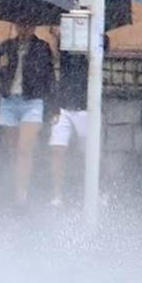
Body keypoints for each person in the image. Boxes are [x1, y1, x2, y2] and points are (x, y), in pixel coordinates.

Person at [0, 20, 55, 206]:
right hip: (9, 102)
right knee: (13, 152)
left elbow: (49, 77)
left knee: (24, 150)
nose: (24, 29)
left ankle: (21, 194)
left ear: (34, 27)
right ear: (15, 26)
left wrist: (53, 107)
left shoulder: (41, 48)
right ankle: (16, 185)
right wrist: (1, 67)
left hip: (31, 102)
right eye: (21, 25)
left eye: (28, 25)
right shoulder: (6, 47)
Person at [48, 30, 108, 207]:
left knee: (92, 152)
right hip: (64, 103)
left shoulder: (98, 35)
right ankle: (57, 195)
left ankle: (100, 189)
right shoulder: (66, 37)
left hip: (86, 104)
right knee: (57, 149)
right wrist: (56, 36)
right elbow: (55, 58)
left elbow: (101, 53)